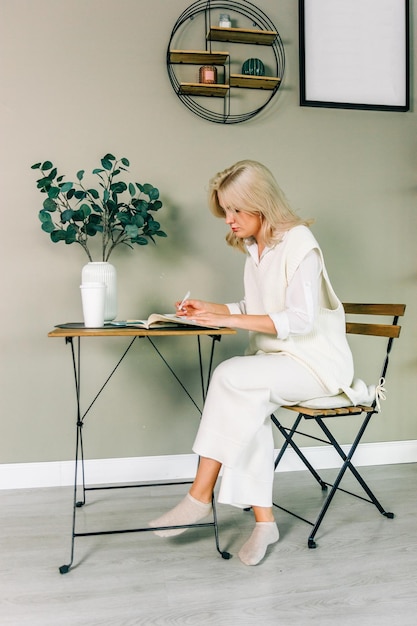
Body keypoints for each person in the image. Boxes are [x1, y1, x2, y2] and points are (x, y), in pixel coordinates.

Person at [150, 160, 355, 566]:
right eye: (225, 211)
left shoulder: (299, 243)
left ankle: (199, 497)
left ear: (261, 204)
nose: (229, 220)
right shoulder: (254, 249)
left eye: (235, 210)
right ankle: (265, 522)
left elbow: (299, 319)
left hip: (313, 364)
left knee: (229, 376)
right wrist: (211, 307)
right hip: (277, 362)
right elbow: (257, 308)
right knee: (247, 405)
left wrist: (226, 318)